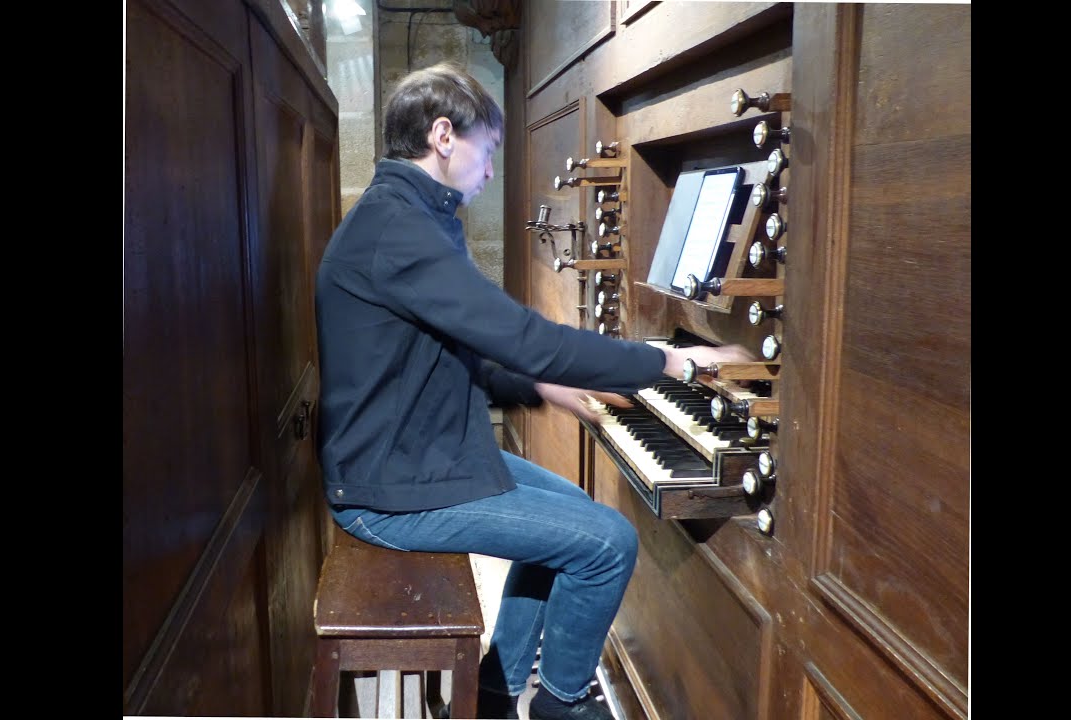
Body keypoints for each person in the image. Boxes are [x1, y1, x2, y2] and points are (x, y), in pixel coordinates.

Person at [314, 61, 753, 720]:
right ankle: (563, 703)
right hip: (389, 486)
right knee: (608, 543)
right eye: (486, 150)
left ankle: (497, 687)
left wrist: (545, 387)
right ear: (442, 136)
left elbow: (466, 351)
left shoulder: (411, 215)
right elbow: (521, 336)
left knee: (572, 515)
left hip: (418, 453)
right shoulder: (399, 231)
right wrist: (669, 362)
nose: (491, 170)